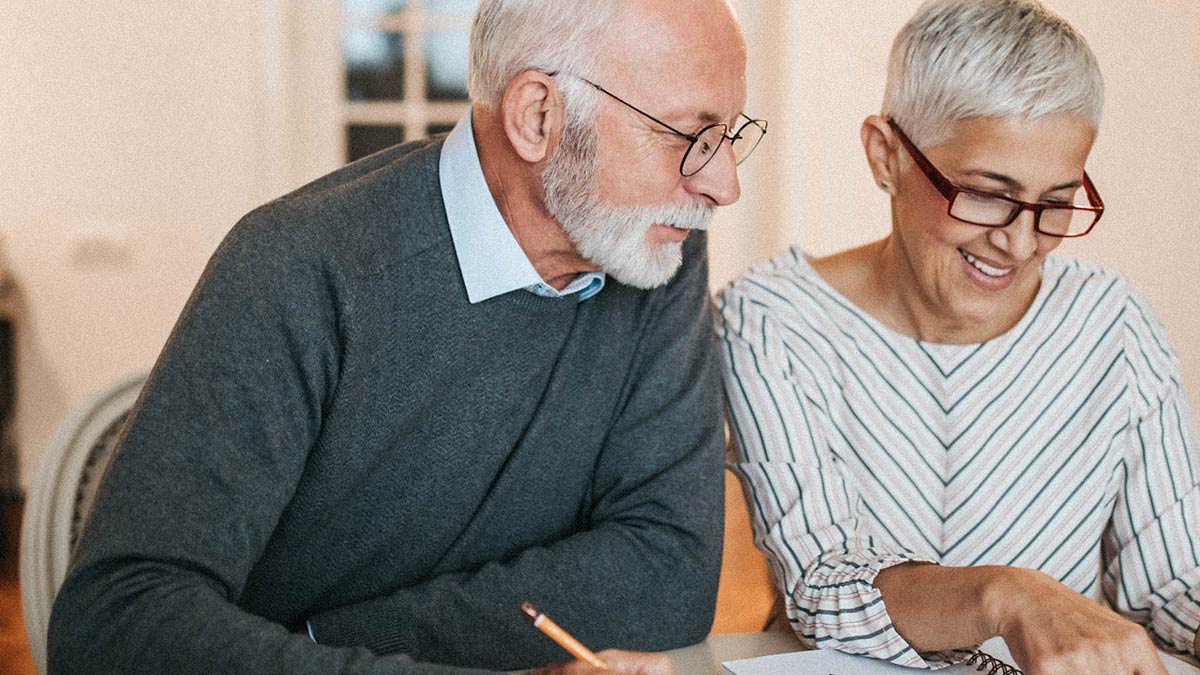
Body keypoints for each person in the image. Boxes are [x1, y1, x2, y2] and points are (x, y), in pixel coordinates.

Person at [48, 1, 767, 673]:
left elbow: (670, 570)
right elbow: (116, 622)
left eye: (728, 135)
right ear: (538, 116)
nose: (723, 184)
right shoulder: (299, 267)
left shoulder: (655, 253)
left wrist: (324, 637)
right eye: (688, 135)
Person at [717, 1, 1200, 673]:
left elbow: (1174, 583)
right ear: (885, 156)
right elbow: (821, 584)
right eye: (985, 192)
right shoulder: (772, 320)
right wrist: (1009, 595)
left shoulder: (1113, 324)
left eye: (1056, 202)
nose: (1021, 241)